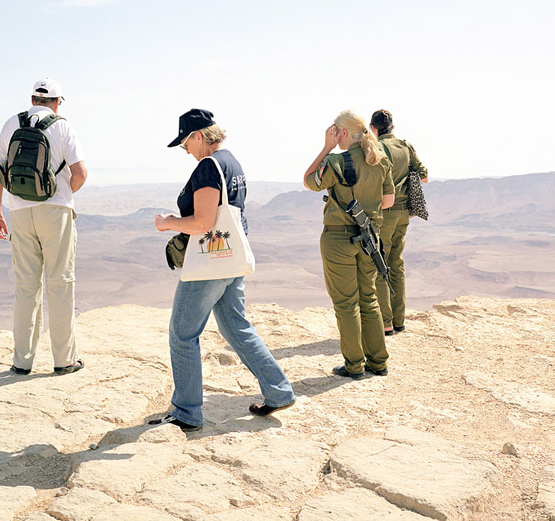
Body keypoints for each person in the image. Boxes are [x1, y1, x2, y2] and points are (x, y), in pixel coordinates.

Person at [151, 108, 295, 430]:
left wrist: (168, 223)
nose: (185, 150)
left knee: (182, 333)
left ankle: (186, 413)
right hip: (232, 259)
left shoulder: (207, 166)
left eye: (185, 143)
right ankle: (279, 391)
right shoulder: (232, 162)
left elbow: (203, 221)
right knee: (235, 327)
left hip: (211, 262)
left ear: (199, 137)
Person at [0, 77, 88, 375]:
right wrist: (63, 193)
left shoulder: (12, 124)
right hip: (56, 211)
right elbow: (80, 173)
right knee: (60, 282)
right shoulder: (62, 126)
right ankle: (63, 360)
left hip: (19, 211)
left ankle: (22, 362)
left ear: (33, 99)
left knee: (26, 286)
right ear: (57, 102)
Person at [304, 110, 394, 379]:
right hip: (369, 237)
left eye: (335, 132)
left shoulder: (336, 161)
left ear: (342, 133)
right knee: (368, 298)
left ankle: (354, 365)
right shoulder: (380, 160)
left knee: (346, 304)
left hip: (338, 238)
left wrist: (326, 147)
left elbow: (310, 182)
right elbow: (388, 202)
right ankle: (378, 361)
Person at [369, 109, 428, 335]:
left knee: (379, 266)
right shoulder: (405, 146)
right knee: (396, 264)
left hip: (384, 213)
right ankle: (400, 320)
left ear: (373, 128)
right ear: (392, 127)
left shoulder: (376, 148)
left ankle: (386, 323)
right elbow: (423, 175)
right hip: (404, 213)